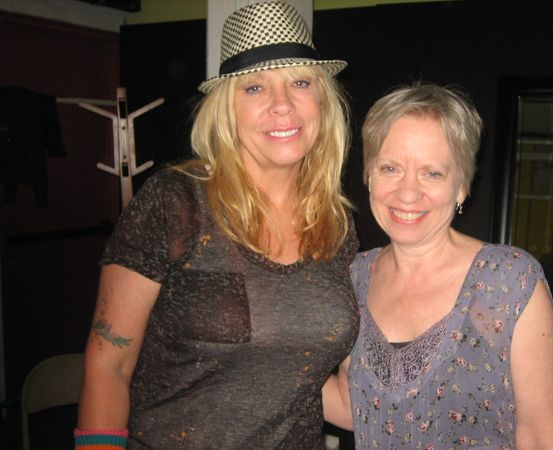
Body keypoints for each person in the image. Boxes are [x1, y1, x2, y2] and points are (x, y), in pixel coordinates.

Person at [75, 2, 359, 449]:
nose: (282, 104)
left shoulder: (335, 225)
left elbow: (300, 372)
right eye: (255, 88)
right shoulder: (176, 202)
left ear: (322, 99)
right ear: (227, 108)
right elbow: (108, 364)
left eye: (300, 82)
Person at [323, 83, 553, 449]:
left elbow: (540, 436)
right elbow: (353, 405)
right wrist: (267, 357)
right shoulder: (353, 277)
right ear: (369, 175)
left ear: (462, 186)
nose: (407, 193)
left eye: (432, 173)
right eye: (390, 168)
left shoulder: (507, 282)